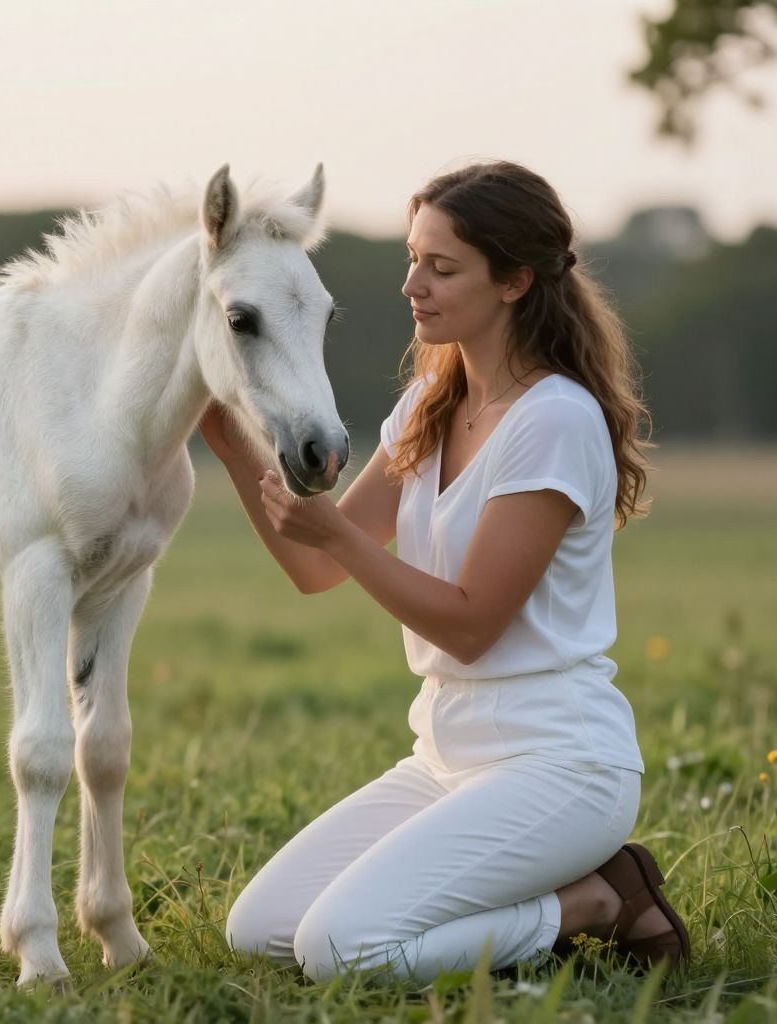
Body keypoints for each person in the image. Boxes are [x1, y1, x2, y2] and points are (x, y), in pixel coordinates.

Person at [205, 161, 690, 984]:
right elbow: (312, 567)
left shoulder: (555, 421)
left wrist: (343, 539)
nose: (412, 285)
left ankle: (596, 901)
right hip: (444, 755)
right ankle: (549, 903)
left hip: (558, 765)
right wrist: (225, 431)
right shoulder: (431, 405)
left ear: (515, 281)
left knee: (340, 950)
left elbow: (470, 624)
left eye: (442, 266)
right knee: (260, 929)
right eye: (411, 258)